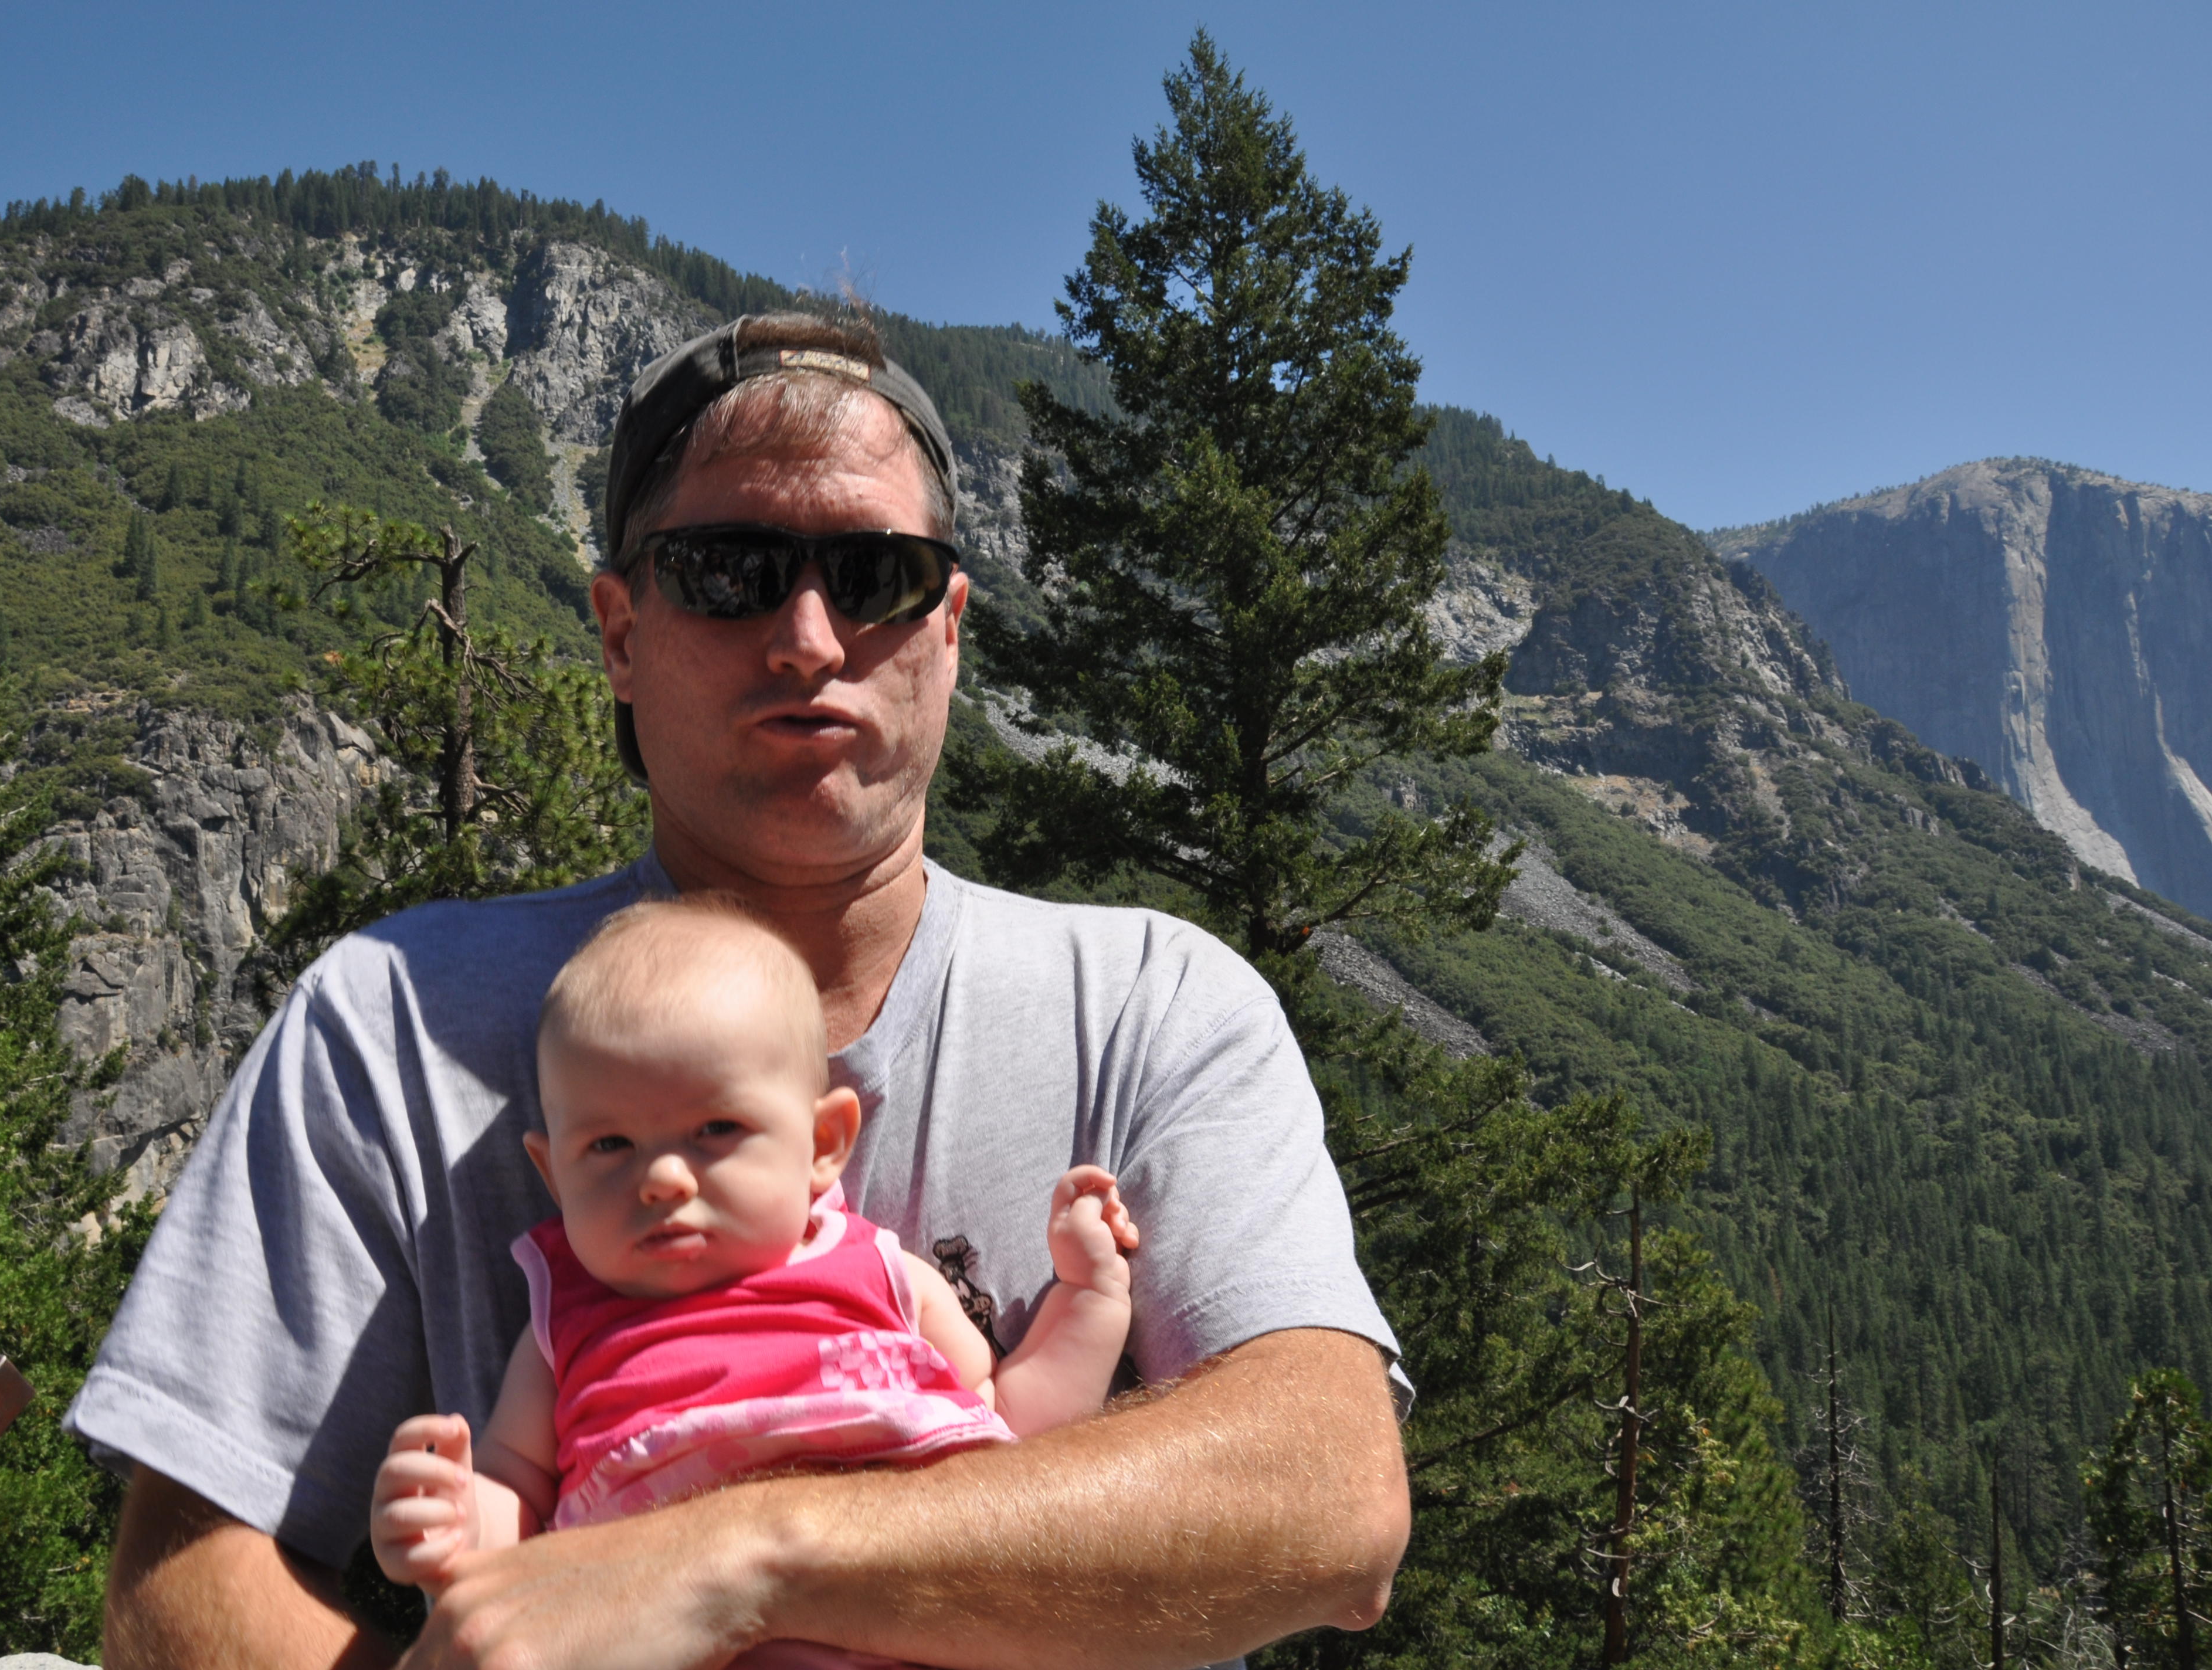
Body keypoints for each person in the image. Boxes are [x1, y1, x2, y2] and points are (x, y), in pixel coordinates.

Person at [73, 311, 1412, 1670]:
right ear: (618, 633)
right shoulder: (389, 1022)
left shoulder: (1156, 1005)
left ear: (949, 629)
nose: (809, 638)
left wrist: (735, 1558)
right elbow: (185, 1578)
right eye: (728, 571)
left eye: (878, 575)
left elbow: (1327, 1493)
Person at [369, 895, 1140, 1670]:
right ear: (552, 1173)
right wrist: (457, 1521)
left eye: (716, 1130)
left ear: (824, 1143)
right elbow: (517, 1488)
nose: (663, 1178)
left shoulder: (879, 1273)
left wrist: (1088, 1296)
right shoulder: (562, 1321)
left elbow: (1011, 1426)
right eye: (609, 1145)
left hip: (921, 1622)